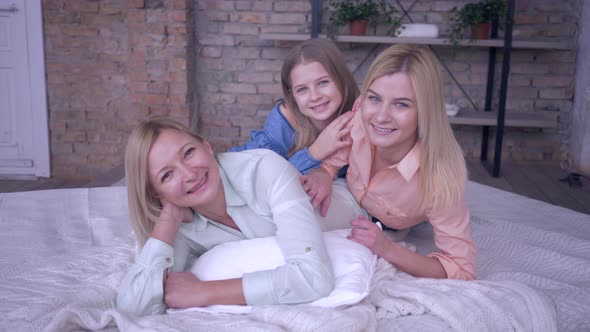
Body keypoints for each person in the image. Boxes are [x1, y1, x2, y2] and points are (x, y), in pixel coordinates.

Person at [116, 116, 365, 316]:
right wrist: (168, 219)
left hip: (366, 207)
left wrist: (204, 292)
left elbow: (314, 279)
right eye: (167, 176)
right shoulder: (181, 224)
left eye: (188, 153)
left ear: (206, 145)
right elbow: (135, 306)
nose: (189, 174)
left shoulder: (264, 170)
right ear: (157, 194)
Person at [308, 44, 477, 280]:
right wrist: (323, 173)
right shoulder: (359, 119)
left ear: (425, 113)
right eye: (375, 99)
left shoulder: (439, 179)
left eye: (401, 104)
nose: (381, 116)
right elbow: (331, 162)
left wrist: (387, 249)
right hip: (349, 196)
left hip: (390, 227)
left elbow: (462, 269)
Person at [229, 38, 358, 176]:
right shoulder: (284, 123)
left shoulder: (360, 116)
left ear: (341, 78)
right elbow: (268, 178)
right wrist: (315, 152)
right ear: (293, 96)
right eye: (302, 89)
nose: (315, 96)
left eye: (323, 83)